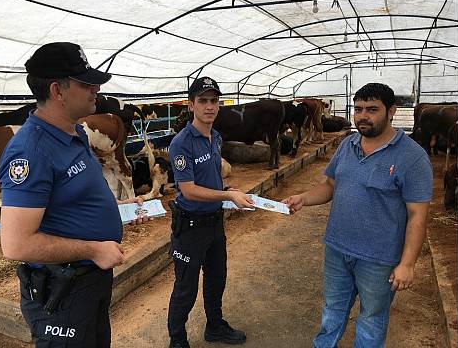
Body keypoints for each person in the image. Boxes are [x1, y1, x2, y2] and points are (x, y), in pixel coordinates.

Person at [0, 41, 148, 347]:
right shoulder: (31, 151)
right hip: (62, 293)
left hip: (89, 281)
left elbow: (74, 197)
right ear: (58, 91)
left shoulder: (75, 132)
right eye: (86, 83)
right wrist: (93, 250)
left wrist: (119, 208)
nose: (95, 89)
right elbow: (16, 244)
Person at [282, 83, 433, 348]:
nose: (363, 115)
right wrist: (303, 198)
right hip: (337, 249)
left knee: (372, 318)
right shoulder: (348, 144)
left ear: (392, 111)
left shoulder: (413, 157)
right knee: (332, 310)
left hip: (379, 259)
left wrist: (407, 264)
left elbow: (417, 215)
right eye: (359, 109)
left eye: (372, 109)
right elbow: (330, 185)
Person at [166, 76, 254, 348]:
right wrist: (228, 195)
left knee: (217, 278)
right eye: (203, 101)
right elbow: (189, 190)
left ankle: (214, 326)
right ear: (191, 105)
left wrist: (227, 188)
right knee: (185, 288)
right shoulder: (181, 143)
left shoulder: (215, 137)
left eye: (214, 101)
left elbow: (209, 178)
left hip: (214, 222)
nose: (209, 106)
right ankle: (177, 340)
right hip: (191, 226)